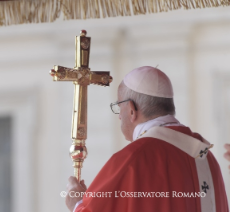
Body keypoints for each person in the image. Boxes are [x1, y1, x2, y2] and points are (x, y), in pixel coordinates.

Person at [65, 66, 228, 212]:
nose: (119, 116)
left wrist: (77, 204)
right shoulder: (205, 157)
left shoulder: (132, 160)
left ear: (131, 110)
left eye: (119, 107)